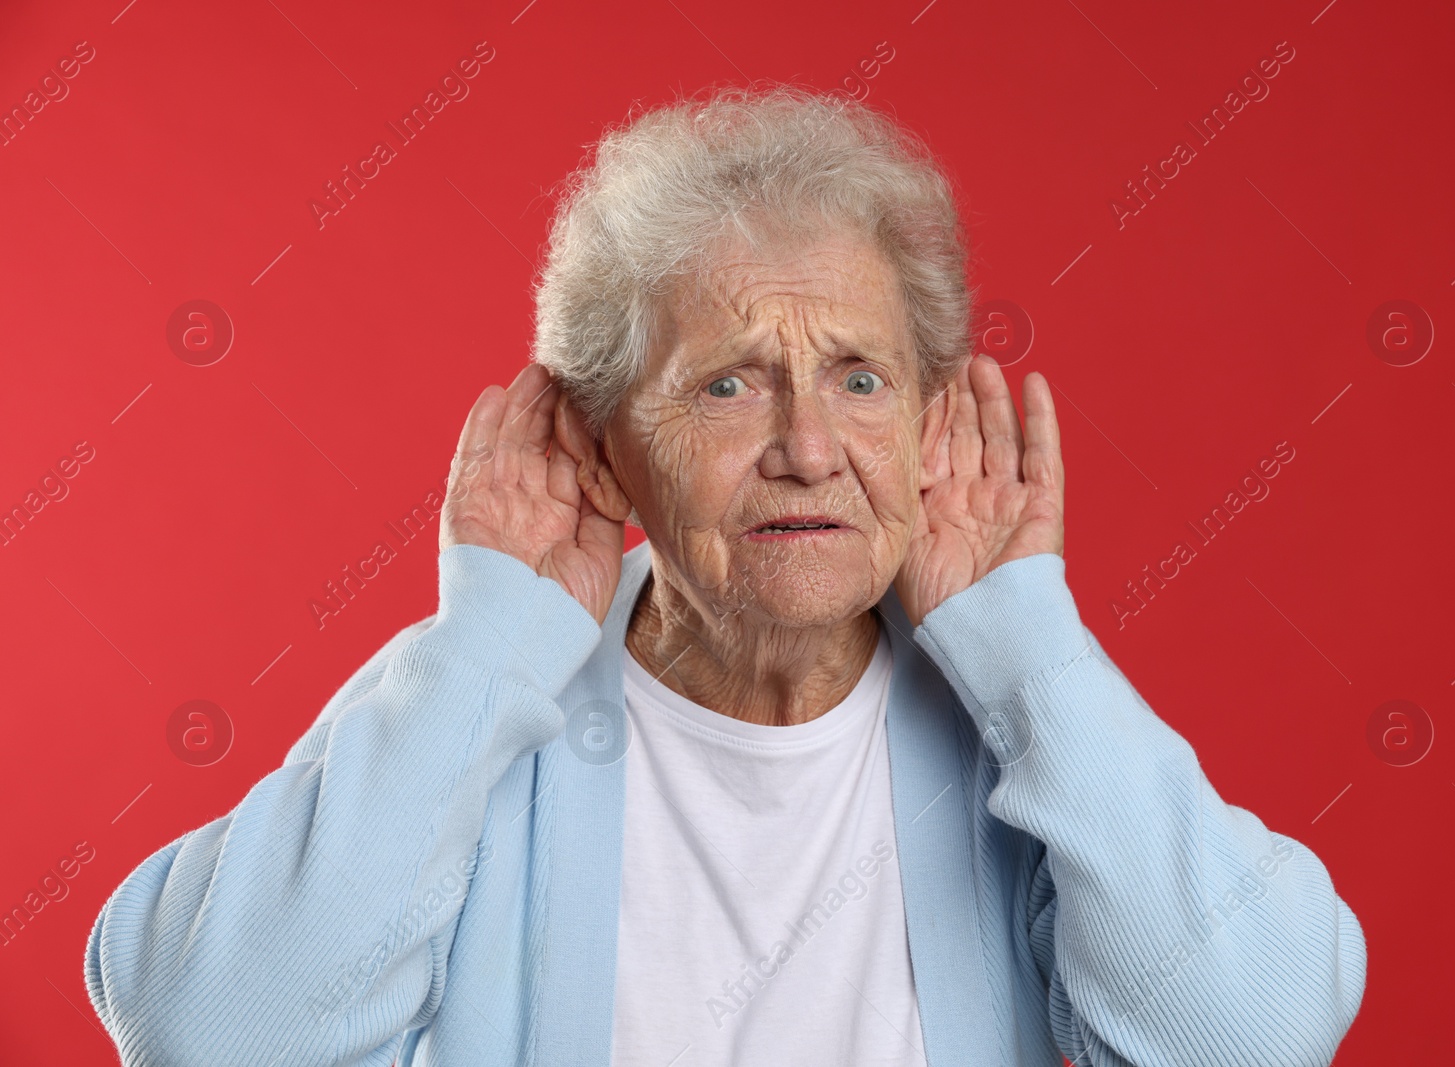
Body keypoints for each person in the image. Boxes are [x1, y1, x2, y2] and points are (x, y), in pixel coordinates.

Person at [85, 84, 1365, 1067]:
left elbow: (1251, 1029)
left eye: (860, 378)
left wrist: (1025, 637)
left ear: (928, 425)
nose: (808, 449)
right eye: (727, 382)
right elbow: (212, 1030)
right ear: (601, 446)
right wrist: (481, 649)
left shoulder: (1017, 725)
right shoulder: (476, 709)